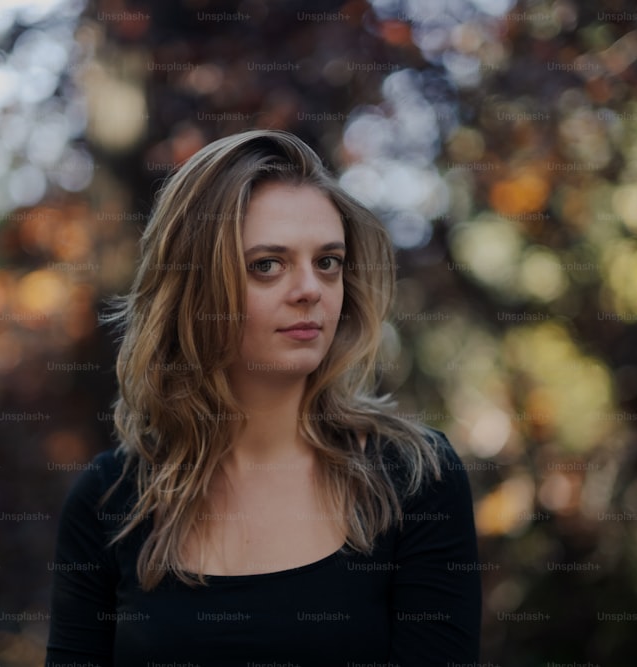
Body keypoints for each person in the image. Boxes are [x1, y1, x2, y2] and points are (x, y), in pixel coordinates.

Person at [45, 129, 481, 666]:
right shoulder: (110, 500)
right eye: (268, 265)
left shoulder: (415, 478)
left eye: (328, 262)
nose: (310, 290)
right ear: (195, 289)